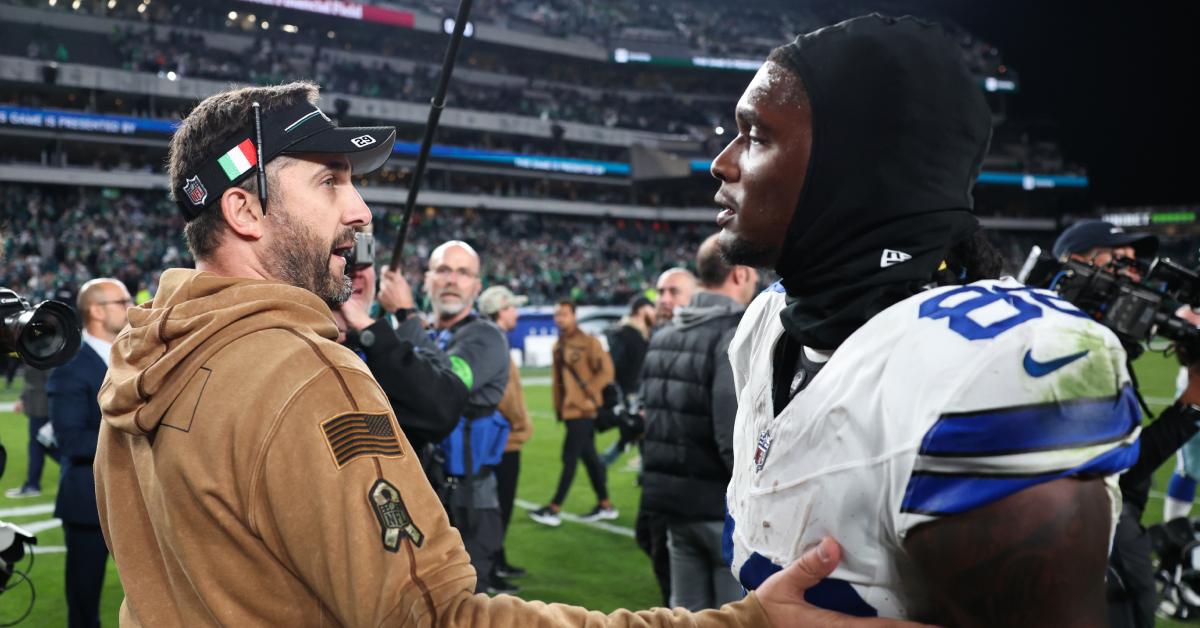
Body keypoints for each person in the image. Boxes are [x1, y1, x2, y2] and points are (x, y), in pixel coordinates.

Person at [92, 80, 913, 628]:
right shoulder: (298, 371)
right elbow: (442, 618)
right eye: (332, 180)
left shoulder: (143, 362)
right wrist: (744, 620)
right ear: (243, 208)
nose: (359, 206)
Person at [714, 15, 1138, 625]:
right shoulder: (769, 323)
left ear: (857, 164)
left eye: (755, 136)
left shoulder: (985, 370)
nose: (721, 163)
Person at [1051, 220, 1200, 628]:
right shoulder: (1075, 344)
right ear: (1077, 263)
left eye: (1137, 265)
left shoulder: (1086, 339)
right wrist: (1191, 407)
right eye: (1121, 261)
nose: (1135, 274)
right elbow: (1116, 469)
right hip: (1093, 525)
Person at [640, 234, 758, 611]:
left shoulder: (662, 336)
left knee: (684, 613)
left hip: (671, 505)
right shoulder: (733, 333)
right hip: (717, 506)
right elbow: (730, 434)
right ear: (739, 274)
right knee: (729, 617)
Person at [52, 277, 129, 628]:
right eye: (122, 301)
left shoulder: (132, 355)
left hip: (132, 498)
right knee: (84, 601)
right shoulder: (70, 365)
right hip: (88, 502)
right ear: (96, 311)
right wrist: (135, 434)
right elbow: (68, 440)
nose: (131, 306)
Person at [529, 300, 617, 526]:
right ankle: (605, 505)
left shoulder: (589, 342)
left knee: (569, 458)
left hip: (584, 411)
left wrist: (588, 392)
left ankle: (554, 508)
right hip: (568, 412)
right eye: (557, 315)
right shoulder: (558, 345)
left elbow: (607, 371)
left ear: (574, 316)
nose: (560, 319)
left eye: (564, 315)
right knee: (590, 460)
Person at [477, 285, 534, 586]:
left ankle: (498, 560)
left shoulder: (491, 339)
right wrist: (519, 420)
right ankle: (491, 568)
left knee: (500, 505)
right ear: (500, 309)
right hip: (502, 438)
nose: (517, 313)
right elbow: (505, 396)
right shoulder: (494, 341)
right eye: (512, 307)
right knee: (500, 505)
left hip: (500, 436)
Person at [599, 294, 655, 466]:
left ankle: (605, 462)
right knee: (639, 432)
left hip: (640, 393)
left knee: (639, 434)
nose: (654, 313)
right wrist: (618, 396)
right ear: (641, 310)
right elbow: (612, 367)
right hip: (630, 395)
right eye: (650, 308)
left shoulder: (642, 335)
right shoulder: (624, 334)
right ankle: (602, 463)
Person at [5, 364, 53, 498]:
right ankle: (32, 484)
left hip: (43, 408)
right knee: (40, 445)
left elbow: (51, 382)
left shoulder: (41, 353)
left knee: (40, 446)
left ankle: (32, 485)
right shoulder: (38, 352)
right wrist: (22, 398)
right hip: (38, 407)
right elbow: (32, 381)